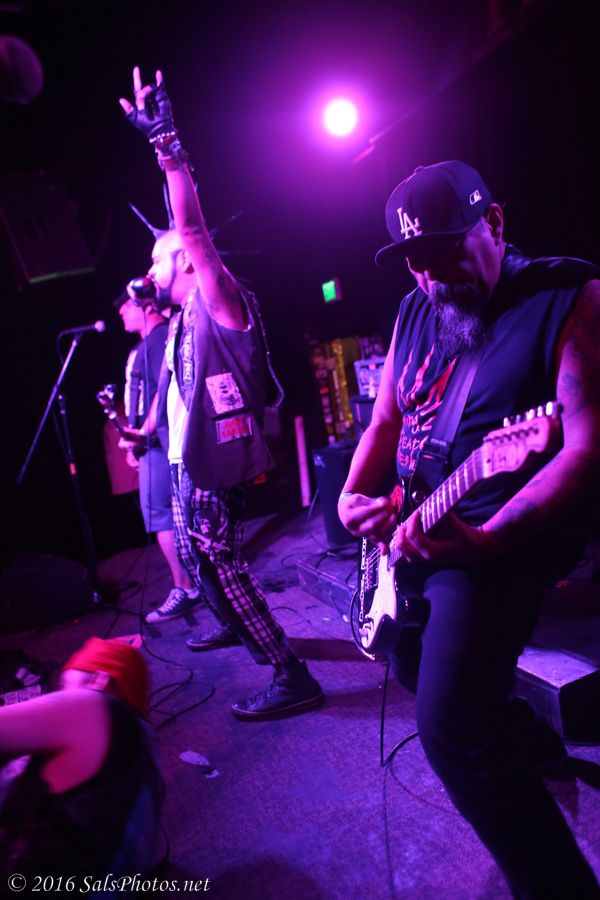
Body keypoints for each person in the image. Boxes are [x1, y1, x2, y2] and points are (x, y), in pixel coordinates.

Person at [338, 160, 600, 898]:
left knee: (450, 726)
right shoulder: (413, 310)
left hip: (499, 535)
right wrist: (354, 496)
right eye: (415, 261)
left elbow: (585, 448)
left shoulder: (566, 296)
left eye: (445, 252)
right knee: (411, 663)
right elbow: (385, 420)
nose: (431, 277)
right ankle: (530, 742)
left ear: (495, 222)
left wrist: (485, 542)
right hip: (417, 522)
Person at [118, 67, 323, 721]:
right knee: (201, 560)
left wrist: (167, 147)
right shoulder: (180, 319)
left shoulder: (219, 299)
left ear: (184, 260)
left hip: (215, 463)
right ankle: (236, 624)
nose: (149, 268)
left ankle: (290, 673)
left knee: (220, 561)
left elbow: (193, 229)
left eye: (157, 257)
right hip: (189, 460)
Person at [0, 636, 163, 879]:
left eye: (65, 685)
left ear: (99, 679)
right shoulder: (144, 755)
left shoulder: (89, 704)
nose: (58, 695)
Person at [114, 283, 202, 624]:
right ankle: (190, 584)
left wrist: (145, 431)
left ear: (144, 306)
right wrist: (134, 439)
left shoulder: (158, 339)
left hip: (161, 444)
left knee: (162, 513)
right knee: (160, 513)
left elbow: (164, 390)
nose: (121, 313)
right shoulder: (144, 345)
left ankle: (186, 588)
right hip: (149, 445)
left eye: (126, 306)